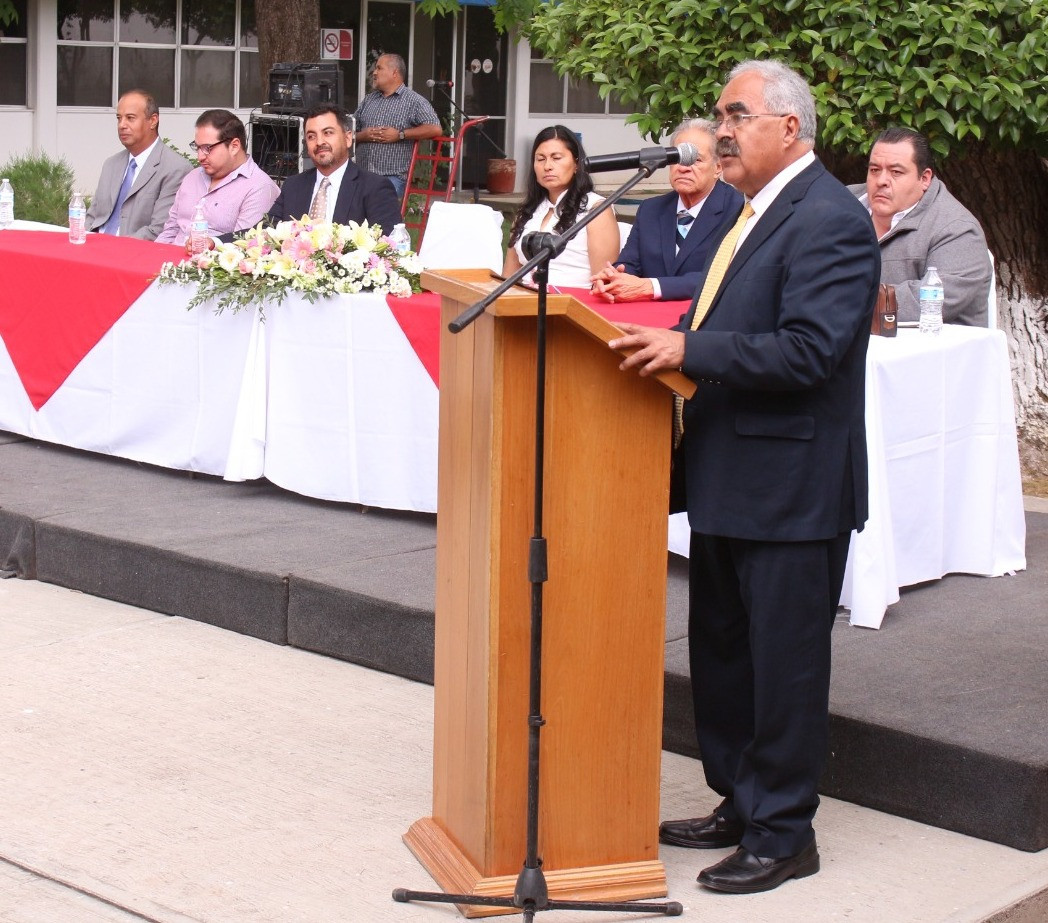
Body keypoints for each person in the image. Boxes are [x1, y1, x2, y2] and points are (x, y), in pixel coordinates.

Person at [609, 60, 880, 894]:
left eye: (737, 114)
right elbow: (714, 317)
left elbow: (809, 349)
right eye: (719, 114)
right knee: (724, 656)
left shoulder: (830, 217)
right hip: (730, 474)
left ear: (789, 129)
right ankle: (740, 799)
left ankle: (784, 829)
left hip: (792, 486)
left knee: (783, 664)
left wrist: (690, 348)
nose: (719, 129)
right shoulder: (749, 214)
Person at [850, 127, 991, 326]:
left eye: (896, 172)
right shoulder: (841, 204)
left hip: (931, 352)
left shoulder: (957, 229)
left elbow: (930, 300)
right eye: (874, 170)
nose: (881, 181)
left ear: (924, 179)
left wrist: (840, 300)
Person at [591, 119, 742, 302]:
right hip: (648, 319)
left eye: (695, 160)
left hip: (704, 322)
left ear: (718, 168)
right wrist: (613, 279)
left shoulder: (737, 209)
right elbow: (629, 264)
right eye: (677, 158)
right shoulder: (651, 209)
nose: (683, 168)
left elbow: (726, 277)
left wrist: (652, 287)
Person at [237, 104, 402, 236]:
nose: (319, 142)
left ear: (347, 138)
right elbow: (262, 232)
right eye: (311, 136)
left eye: (328, 133)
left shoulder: (375, 187)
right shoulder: (293, 186)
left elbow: (388, 248)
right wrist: (215, 242)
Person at [502, 125, 620, 289]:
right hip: (524, 304)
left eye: (556, 158)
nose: (547, 166)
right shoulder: (526, 212)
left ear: (577, 164)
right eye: (541, 159)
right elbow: (507, 279)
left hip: (572, 306)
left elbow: (603, 284)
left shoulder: (596, 209)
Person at [155, 110, 279, 248]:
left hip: (207, 266)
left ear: (234, 146)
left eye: (208, 148)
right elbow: (170, 229)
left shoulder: (259, 187)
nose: (200, 157)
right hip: (167, 261)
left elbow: (242, 246)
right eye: (197, 148)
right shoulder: (192, 177)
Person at [85, 90, 191, 240]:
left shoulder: (175, 168)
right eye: (119, 118)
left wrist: (112, 247)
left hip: (132, 254)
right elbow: (92, 217)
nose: (122, 125)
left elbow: (159, 230)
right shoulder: (111, 165)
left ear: (153, 121)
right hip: (93, 248)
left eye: (130, 118)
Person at [352, 53, 442, 200]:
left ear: (394, 73)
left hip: (392, 177)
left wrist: (400, 135)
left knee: (380, 219)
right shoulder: (369, 99)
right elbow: (348, 131)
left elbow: (434, 128)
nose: (374, 72)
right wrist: (363, 135)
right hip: (362, 175)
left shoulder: (414, 101)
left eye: (379, 68)